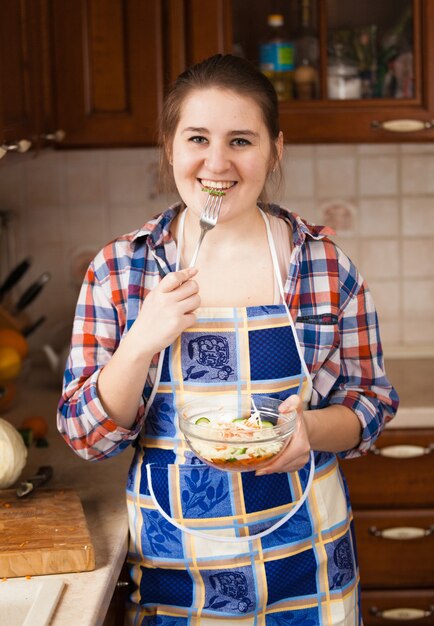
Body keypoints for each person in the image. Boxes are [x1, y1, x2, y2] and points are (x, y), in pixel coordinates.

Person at [57, 53, 399, 625]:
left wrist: (310, 429)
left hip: (308, 568)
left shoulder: (323, 266)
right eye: (197, 138)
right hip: (177, 573)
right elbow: (88, 439)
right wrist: (141, 341)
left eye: (241, 140)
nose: (217, 163)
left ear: (275, 150)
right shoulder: (122, 270)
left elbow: (371, 403)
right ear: (170, 147)